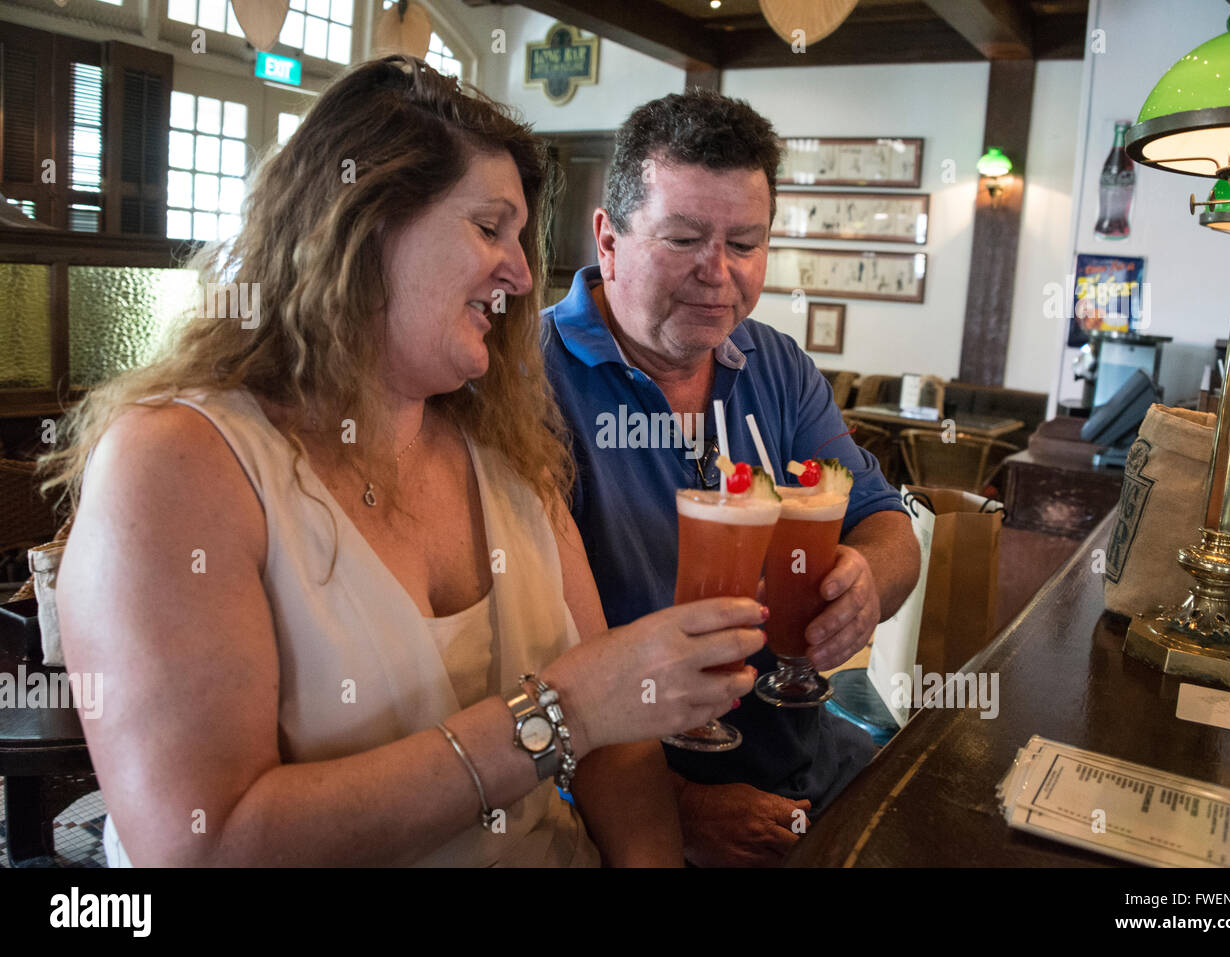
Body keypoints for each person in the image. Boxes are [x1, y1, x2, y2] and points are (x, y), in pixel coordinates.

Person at [42, 57, 767, 868]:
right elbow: (205, 846)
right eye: (489, 228)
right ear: (361, 223)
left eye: (521, 238)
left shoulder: (510, 448)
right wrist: (557, 715)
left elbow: (619, 754)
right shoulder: (177, 460)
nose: (524, 273)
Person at [542, 90, 922, 867]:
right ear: (607, 240)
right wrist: (679, 810)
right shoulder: (530, 381)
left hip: (805, 759)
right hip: (623, 803)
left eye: (745, 242)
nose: (718, 274)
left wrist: (867, 583)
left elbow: (887, 522)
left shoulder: (775, 364)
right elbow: (517, 679)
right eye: (682, 239)